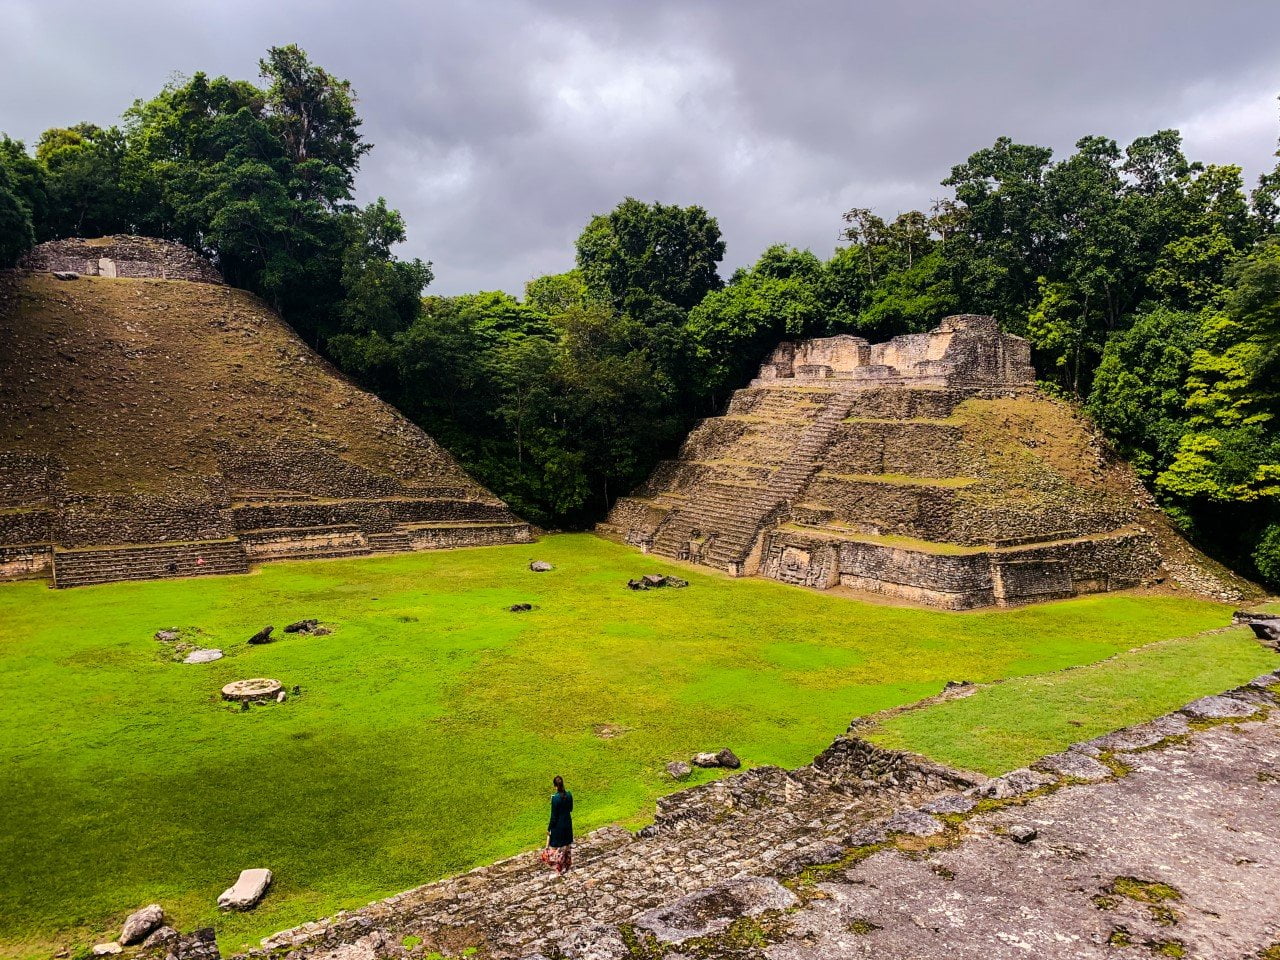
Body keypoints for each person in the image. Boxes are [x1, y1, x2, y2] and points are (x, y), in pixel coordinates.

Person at [541, 775, 573, 875]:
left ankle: (559, 867)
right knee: (566, 847)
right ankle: (566, 865)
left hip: (558, 826)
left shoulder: (555, 799)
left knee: (557, 849)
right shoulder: (569, 795)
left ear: (555, 786)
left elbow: (553, 816)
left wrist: (549, 827)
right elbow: (570, 809)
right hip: (567, 823)